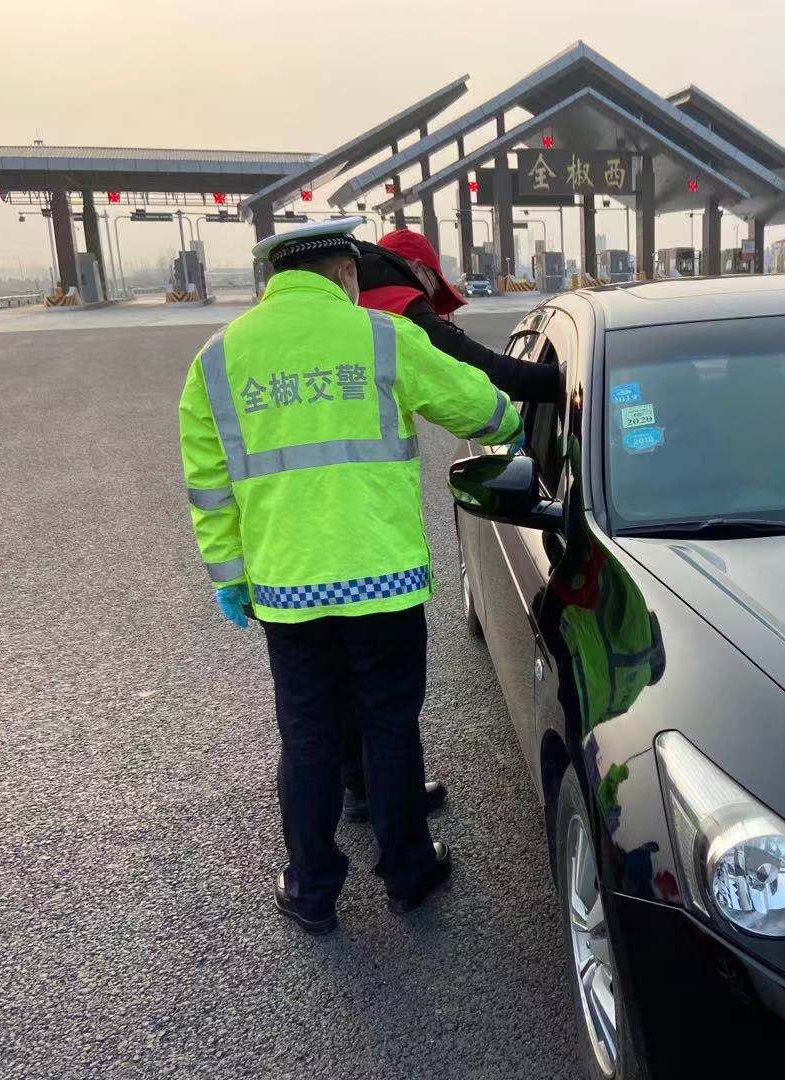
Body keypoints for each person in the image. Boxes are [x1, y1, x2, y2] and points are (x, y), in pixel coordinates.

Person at [177, 218, 522, 933]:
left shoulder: (217, 358)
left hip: (286, 588)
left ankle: (312, 890)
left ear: (273, 280)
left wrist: (230, 577)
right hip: (381, 579)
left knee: (308, 737)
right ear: (344, 273)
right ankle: (408, 874)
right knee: (388, 723)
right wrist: (515, 422)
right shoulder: (382, 338)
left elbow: (208, 484)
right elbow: (476, 405)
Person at [334, 228, 558, 826]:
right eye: (435, 291)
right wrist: (566, 389)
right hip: (372, 542)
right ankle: (403, 843)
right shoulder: (398, 309)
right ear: (420, 272)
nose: (437, 307)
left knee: (324, 697)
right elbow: (480, 373)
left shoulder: (289, 332)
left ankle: (352, 798)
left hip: (293, 555)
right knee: (387, 694)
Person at [355, 230, 563, 403]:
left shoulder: (351, 296)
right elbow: (478, 368)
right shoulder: (403, 305)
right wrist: (562, 380)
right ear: (418, 268)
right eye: (435, 285)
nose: (429, 299)